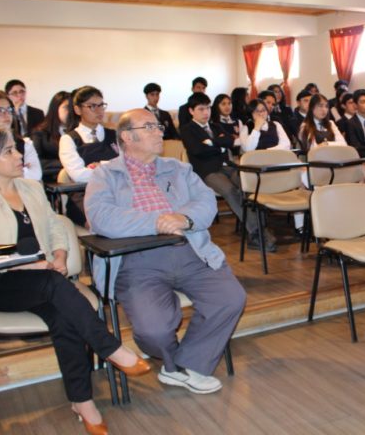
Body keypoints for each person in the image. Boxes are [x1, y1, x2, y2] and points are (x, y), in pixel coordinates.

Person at [0, 125, 150, 435]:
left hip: (44, 278)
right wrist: (32, 265)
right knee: (55, 286)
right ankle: (111, 349)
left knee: (63, 315)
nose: (19, 155)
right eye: (9, 151)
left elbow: (56, 226)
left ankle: (82, 402)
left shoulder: (30, 188)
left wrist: (58, 256)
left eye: (16, 149)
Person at [85, 108, 246, 395]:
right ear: (126, 137)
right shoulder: (105, 175)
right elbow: (102, 218)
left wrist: (183, 219)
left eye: (158, 126)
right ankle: (179, 363)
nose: (160, 131)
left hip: (189, 250)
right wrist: (157, 222)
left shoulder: (179, 168)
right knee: (154, 330)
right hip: (137, 260)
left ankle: (182, 367)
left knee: (231, 298)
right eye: (149, 127)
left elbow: (207, 202)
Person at [181, 94, 275, 251]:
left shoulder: (216, 126)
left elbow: (231, 142)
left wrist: (212, 143)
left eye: (208, 108)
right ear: (191, 111)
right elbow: (198, 151)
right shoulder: (187, 129)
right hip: (207, 171)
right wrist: (219, 145)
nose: (206, 112)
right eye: (201, 109)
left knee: (248, 185)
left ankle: (259, 226)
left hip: (228, 166)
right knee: (230, 190)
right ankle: (257, 232)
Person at [58, 86, 118, 226]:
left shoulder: (114, 135)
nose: (99, 110)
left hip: (116, 190)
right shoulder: (69, 139)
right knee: (106, 224)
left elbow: (127, 165)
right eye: (92, 106)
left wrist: (101, 166)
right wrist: (111, 167)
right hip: (84, 195)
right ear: (78, 109)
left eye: (101, 105)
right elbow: (78, 175)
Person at [32, 91, 71, 183]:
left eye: (72, 108)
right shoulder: (40, 133)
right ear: (55, 109)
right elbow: (36, 161)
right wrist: (69, 163)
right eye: (66, 107)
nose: (70, 112)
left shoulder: (77, 131)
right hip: (52, 179)